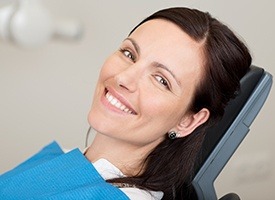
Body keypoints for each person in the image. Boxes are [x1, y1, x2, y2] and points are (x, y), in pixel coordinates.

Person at [0, 7, 251, 200]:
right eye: (129, 54)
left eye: (161, 80)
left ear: (188, 120)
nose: (122, 78)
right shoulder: (63, 158)